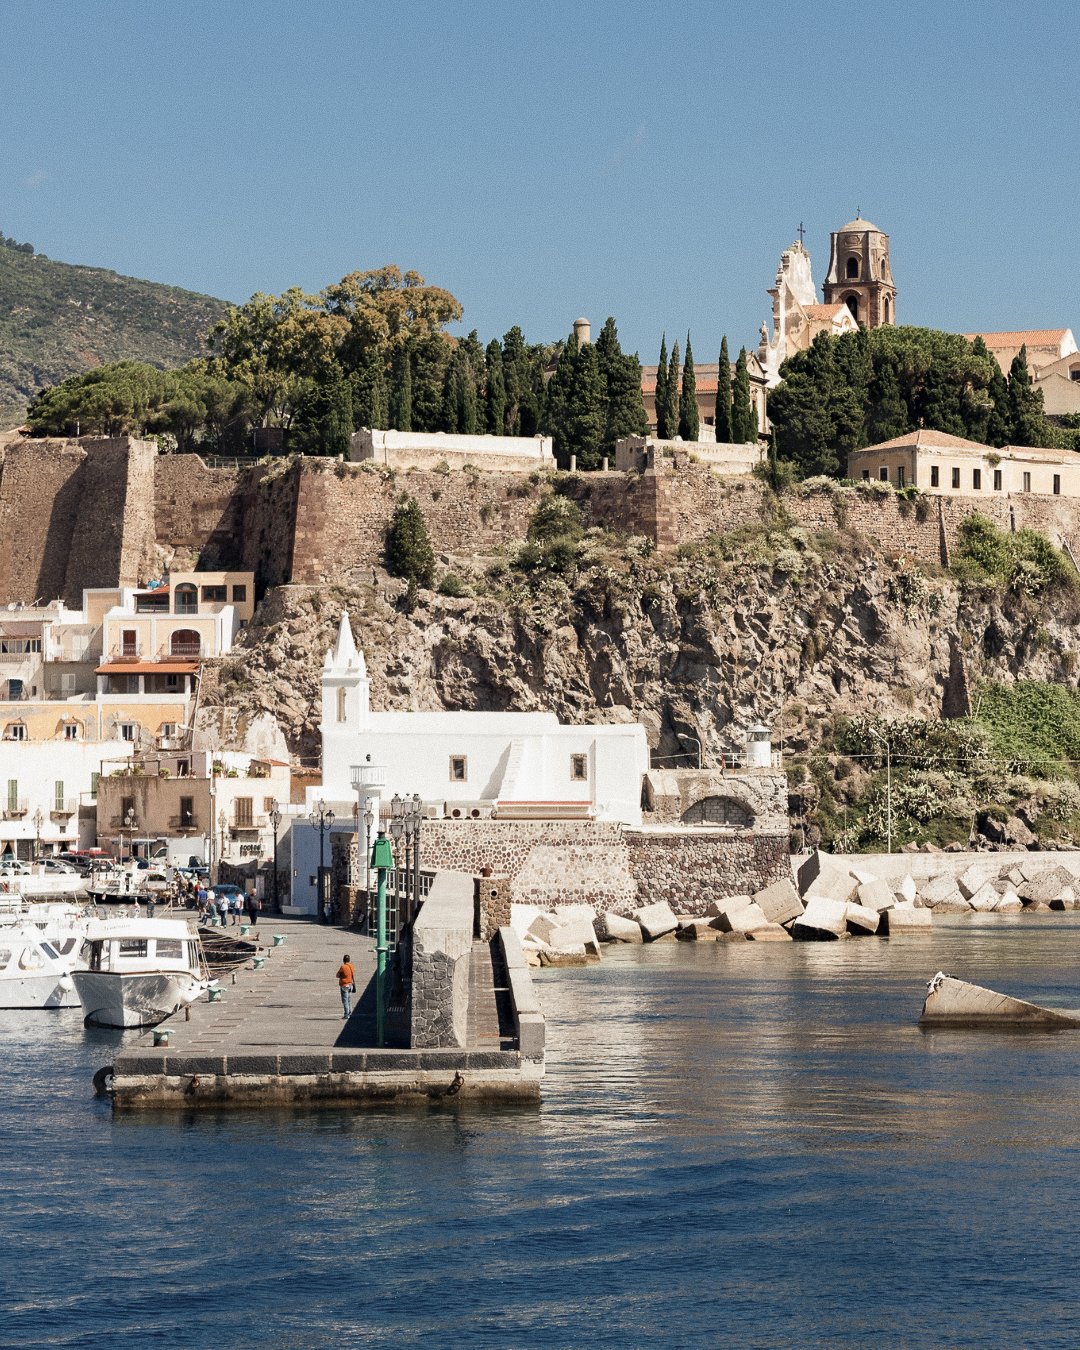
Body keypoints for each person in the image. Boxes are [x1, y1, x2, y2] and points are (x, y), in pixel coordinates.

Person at [336, 954, 356, 1019]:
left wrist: (342, 976)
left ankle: (346, 1014)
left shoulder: (343, 967)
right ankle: (350, 1012)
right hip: (350, 985)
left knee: (345, 1001)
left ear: (343, 960)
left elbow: (337, 975)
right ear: (349, 960)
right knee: (349, 1000)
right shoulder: (351, 966)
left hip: (344, 985)